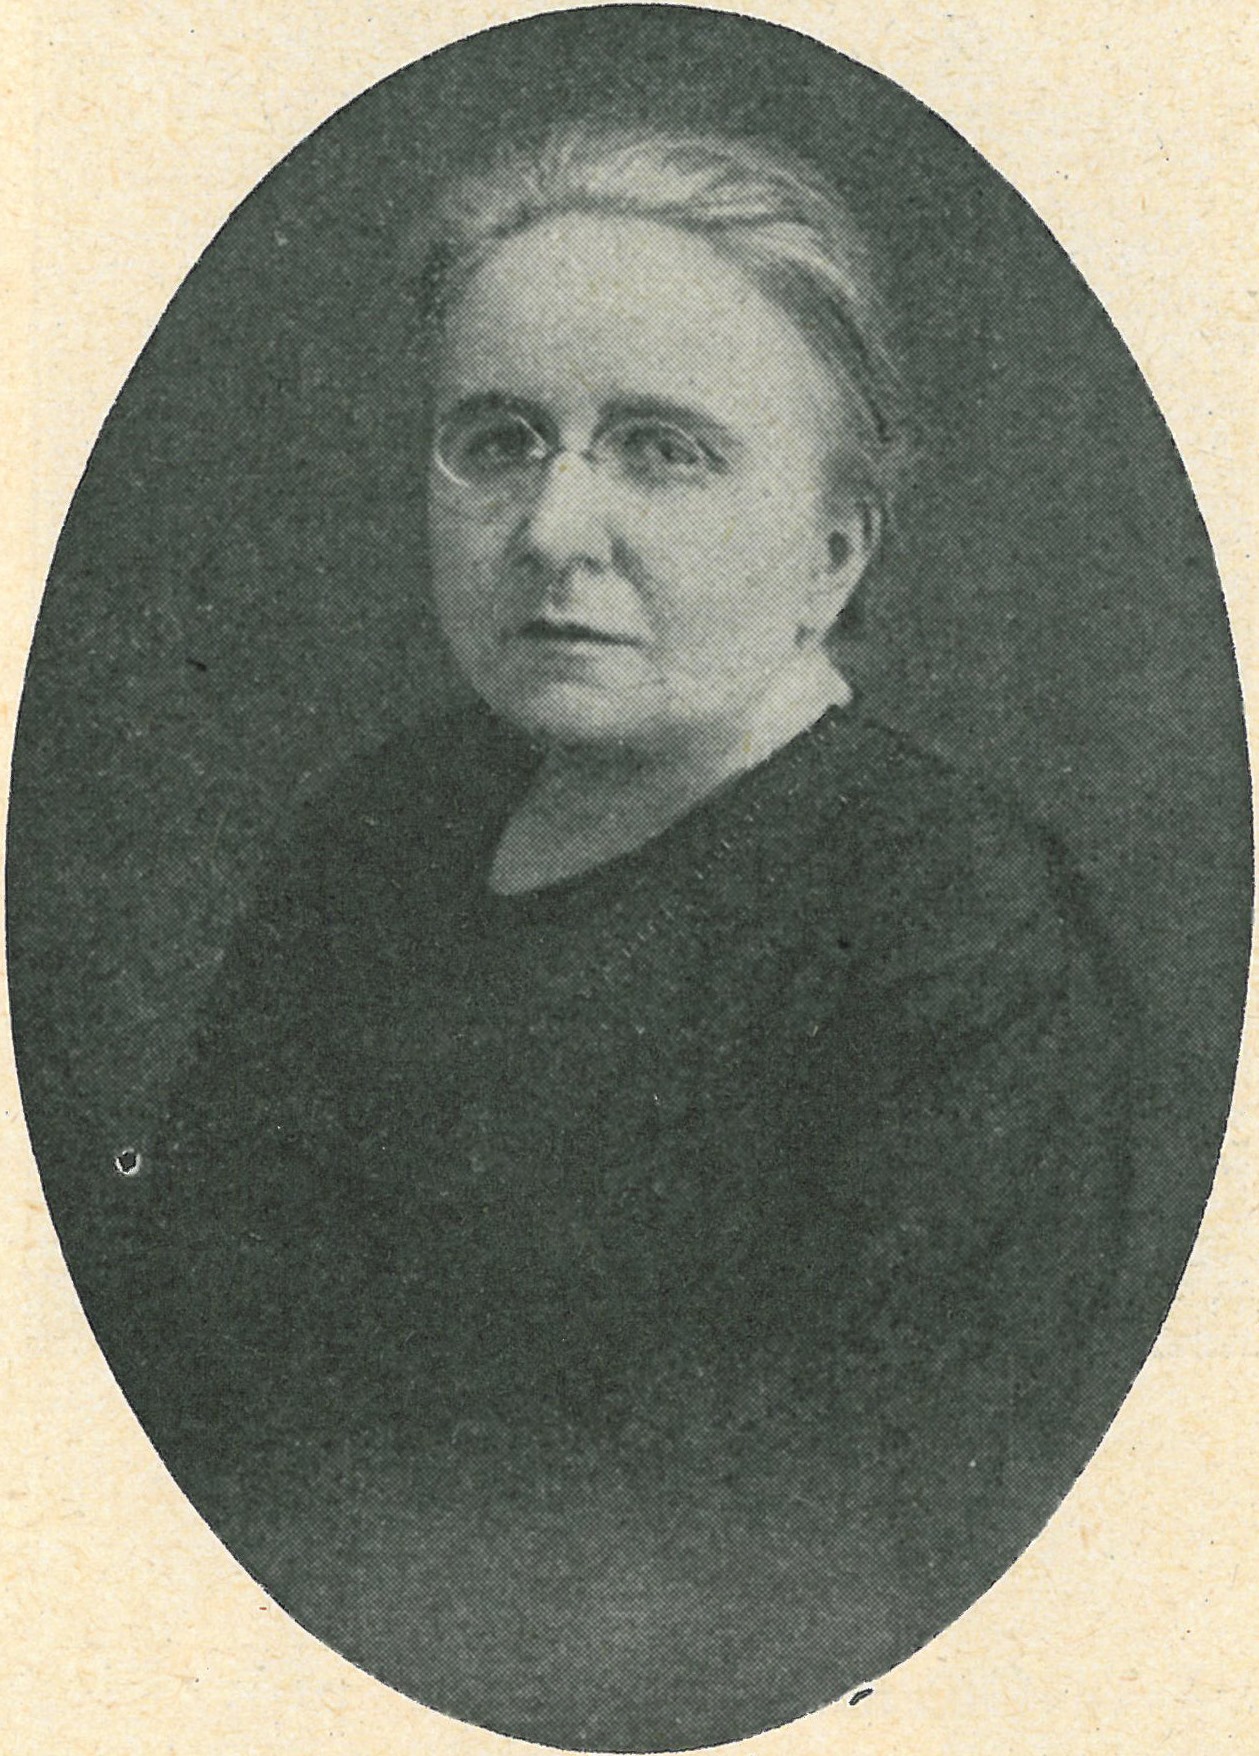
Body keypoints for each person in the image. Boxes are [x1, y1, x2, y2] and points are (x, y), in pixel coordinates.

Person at [112, 122, 1132, 1750]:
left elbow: (859, 1555)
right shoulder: (375, 837)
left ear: (835, 550)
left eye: (661, 451)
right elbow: (179, 1388)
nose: (551, 529)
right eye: (499, 441)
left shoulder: (954, 927)